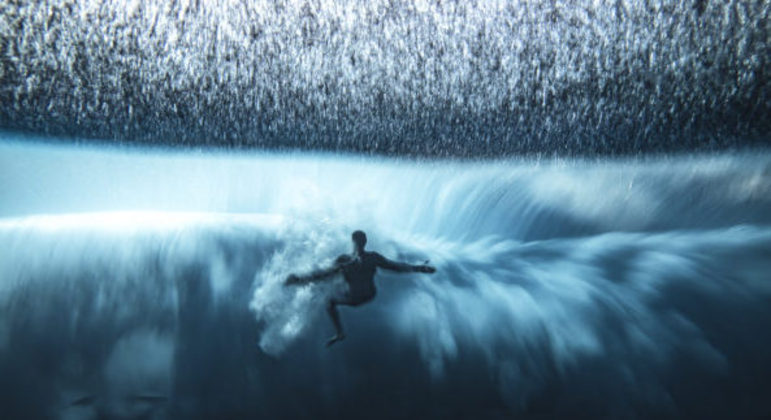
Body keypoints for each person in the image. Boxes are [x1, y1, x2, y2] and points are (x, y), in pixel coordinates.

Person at [285, 230, 436, 346]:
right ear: (365, 242)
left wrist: (299, 279)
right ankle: (339, 332)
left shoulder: (348, 260)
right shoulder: (369, 258)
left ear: (353, 241)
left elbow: (323, 275)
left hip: (354, 298)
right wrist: (419, 268)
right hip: (369, 295)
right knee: (334, 280)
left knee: (330, 299)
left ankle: (340, 333)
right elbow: (395, 267)